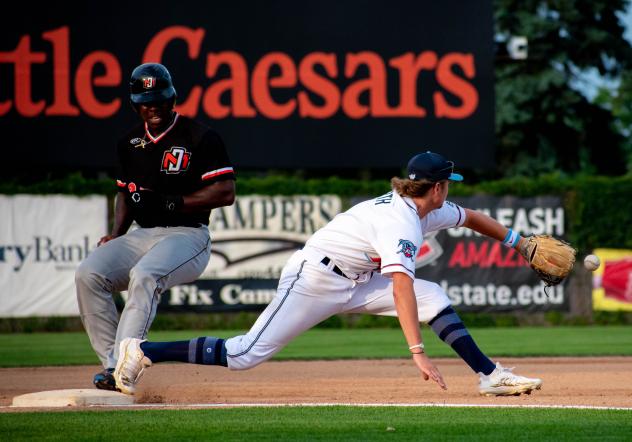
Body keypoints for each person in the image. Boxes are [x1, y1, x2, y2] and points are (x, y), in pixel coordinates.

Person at [113, 151, 542, 397]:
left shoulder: (424, 205)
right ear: (436, 187)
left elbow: (471, 218)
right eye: (448, 183)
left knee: (434, 295)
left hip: (353, 280)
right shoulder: (401, 223)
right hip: (315, 278)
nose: (451, 189)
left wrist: (519, 242)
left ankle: (490, 376)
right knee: (244, 354)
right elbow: (399, 286)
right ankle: (143, 348)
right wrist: (417, 351)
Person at [75, 63, 236, 391]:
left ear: (173, 98)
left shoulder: (200, 137)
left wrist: (173, 202)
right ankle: (112, 365)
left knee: (146, 274)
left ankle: (127, 363)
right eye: (146, 101)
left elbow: (225, 191)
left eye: (160, 99)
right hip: (141, 234)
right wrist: (116, 234)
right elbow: (124, 191)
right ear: (135, 104)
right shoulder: (129, 142)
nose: (154, 106)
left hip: (187, 234)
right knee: (89, 274)